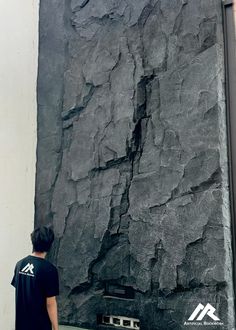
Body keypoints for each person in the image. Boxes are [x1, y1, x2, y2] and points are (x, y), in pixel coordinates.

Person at [11, 226, 59, 330]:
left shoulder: (19, 264)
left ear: (33, 241)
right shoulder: (49, 270)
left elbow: (21, 291)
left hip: (21, 325)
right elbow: (50, 303)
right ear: (50, 245)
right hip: (39, 326)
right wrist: (56, 327)